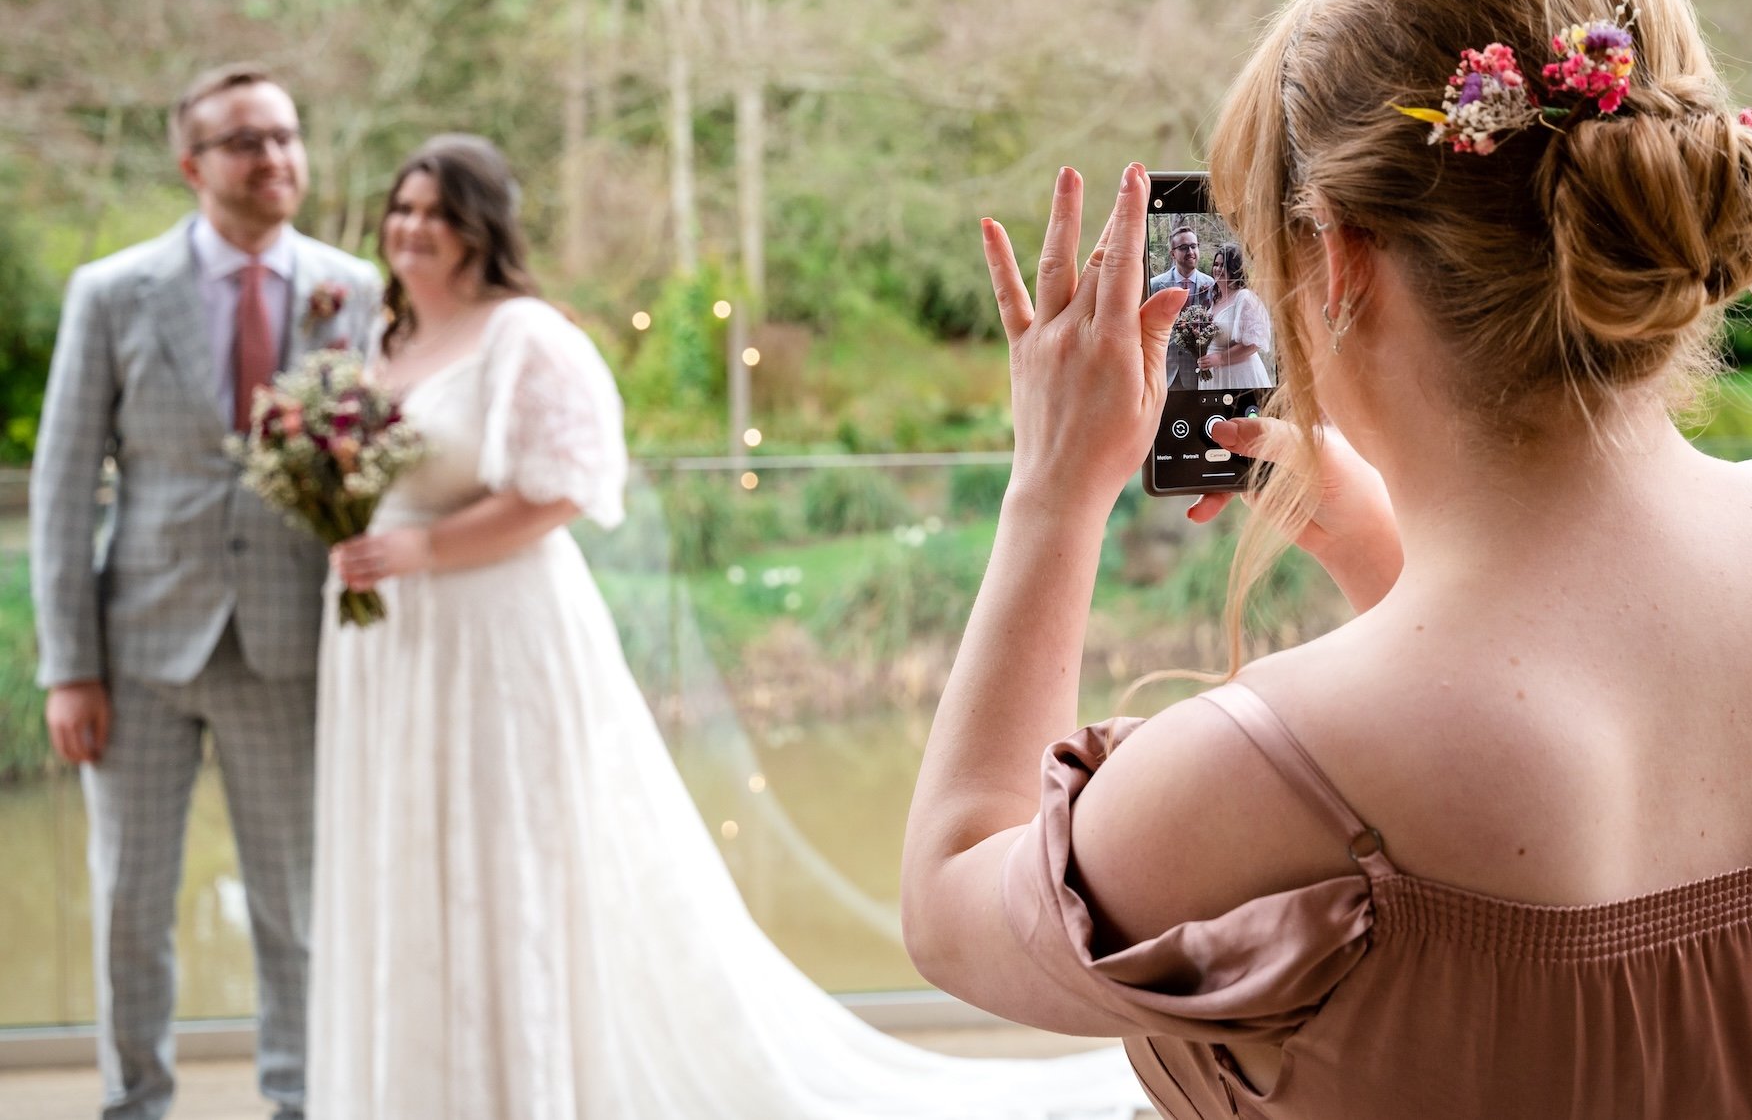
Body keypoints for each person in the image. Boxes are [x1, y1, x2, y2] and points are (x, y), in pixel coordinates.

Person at [903, 0, 1752, 1118]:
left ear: (1337, 263)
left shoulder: (1280, 770)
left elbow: (951, 892)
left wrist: (1051, 490)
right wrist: (1386, 560)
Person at [310, 134, 1147, 1119]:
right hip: (388, 645)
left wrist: (421, 551)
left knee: (505, 858)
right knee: (407, 855)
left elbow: (570, 487)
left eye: (436, 210)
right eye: (401, 207)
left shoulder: (527, 334)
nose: (412, 227)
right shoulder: (382, 338)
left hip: (491, 635)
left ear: (477, 226)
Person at [30, 64, 381, 1120]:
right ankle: (134, 1099)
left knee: (295, 905)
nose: (274, 156)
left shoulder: (353, 289)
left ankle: (299, 1098)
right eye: (245, 141)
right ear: (193, 164)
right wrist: (68, 666)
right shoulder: (111, 290)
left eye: (285, 134)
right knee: (131, 901)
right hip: (135, 650)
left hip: (290, 646)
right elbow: (60, 483)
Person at [1195, 243, 1271, 390]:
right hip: (1214, 377)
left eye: (1224, 265)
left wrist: (1221, 358)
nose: (1218, 269)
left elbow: (1254, 344)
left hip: (1239, 377)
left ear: (1235, 269)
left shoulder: (1244, 298)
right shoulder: (1215, 300)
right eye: (1216, 264)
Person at [1149, 223, 1214, 388]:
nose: (1191, 252)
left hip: (1197, 371)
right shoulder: (1155, 285)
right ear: (1173, 253)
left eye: (1193, 246)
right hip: (1164, 369)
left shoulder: (1211, 284)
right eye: (1184, 248)